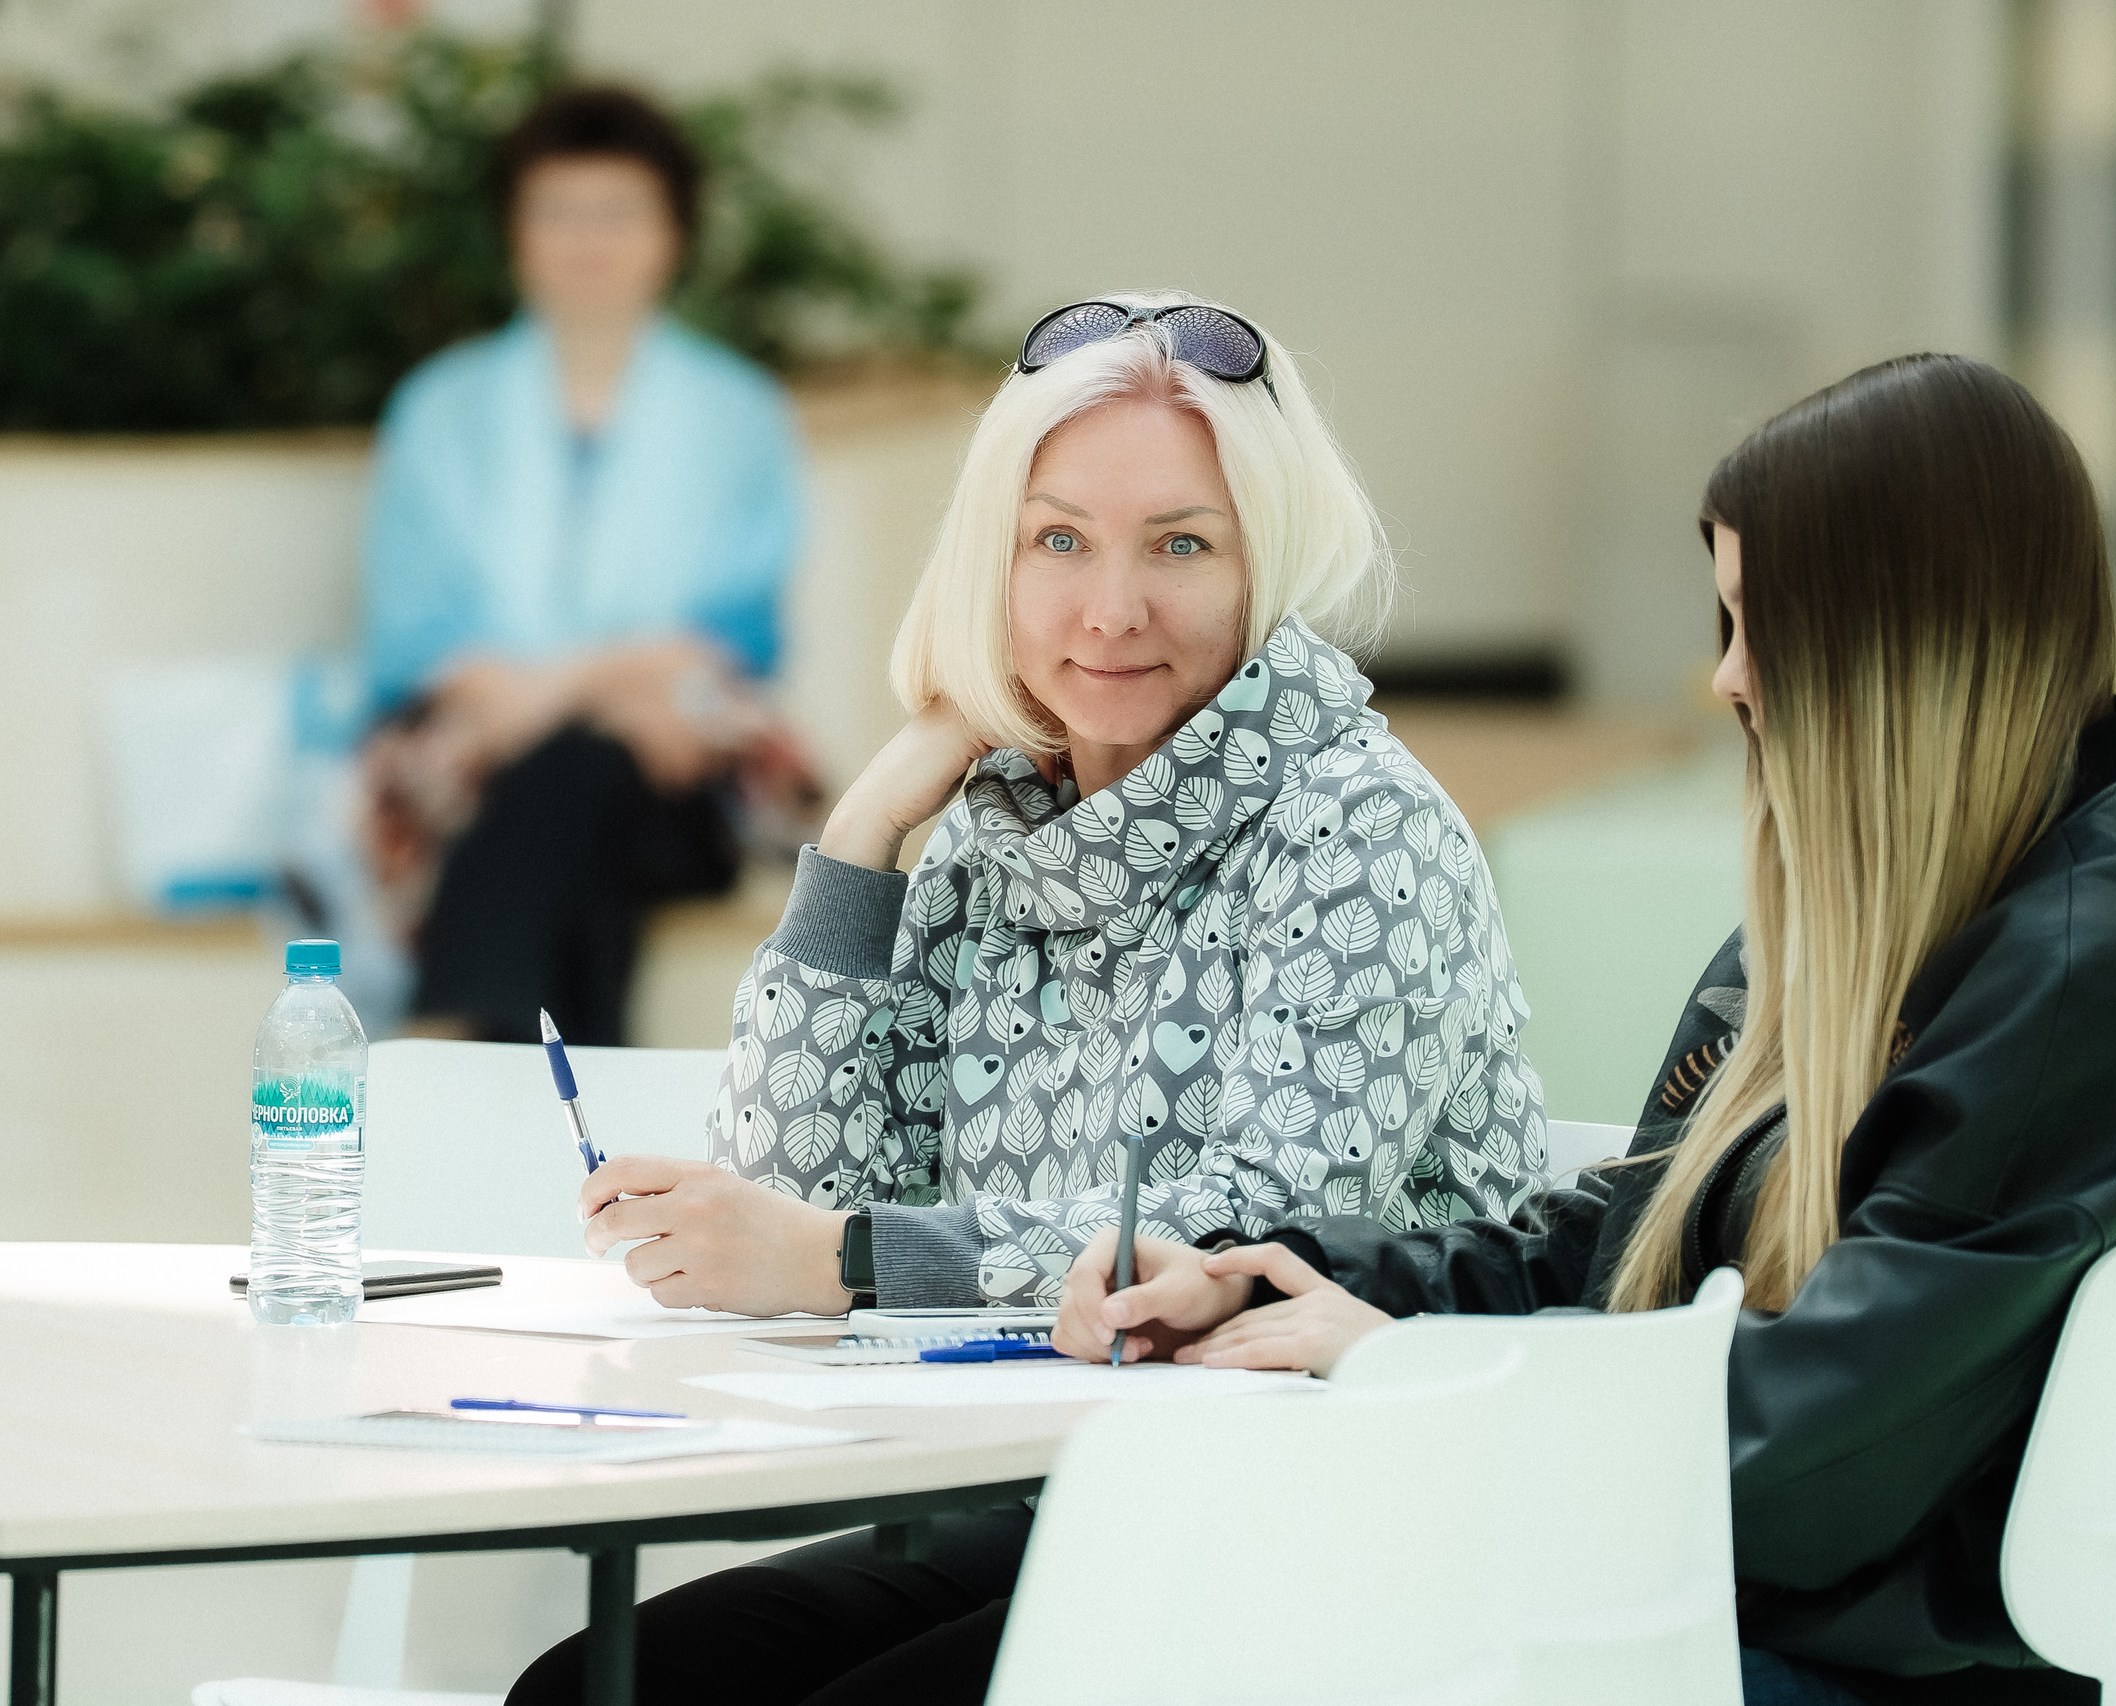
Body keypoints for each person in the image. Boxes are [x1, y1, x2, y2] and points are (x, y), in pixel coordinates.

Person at [1058, 354, 2116, 1706]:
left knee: (1115, 1633)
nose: (1725, 678)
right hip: (1682, 1609)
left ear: (1900, 640)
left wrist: (1400, 1366)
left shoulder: (2100, 981)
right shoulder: (1887, 921)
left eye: (1756, 623)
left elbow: (1799, 1465)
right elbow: (1613, 1253)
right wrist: (1270, 1272)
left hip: (1809, 1658)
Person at [507, 294, 1547, 1704]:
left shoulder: (1363, 826)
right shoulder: (989, 828)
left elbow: (1244, 1239)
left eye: (1181, 545)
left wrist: (834, 1252)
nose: (1110, 609)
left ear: (1268, 563)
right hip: (1047, 1490)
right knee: (606, 1686)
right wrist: (866, 829)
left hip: (1324, 1514)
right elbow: (800, 1196)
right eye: (1056, 541)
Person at [359, 84, 813, 1046]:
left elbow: (736, 631)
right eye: (559, 213)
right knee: (581, 808)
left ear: (673, 234)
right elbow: (412, 625)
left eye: (618, 214)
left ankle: (461, 1030)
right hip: (475, 758)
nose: (587, 242)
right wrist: (599, 688)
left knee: (584, 773)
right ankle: (589, 1153)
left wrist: (549, 694)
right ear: (515, 233)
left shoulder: (738, 413)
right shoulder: (440, 408)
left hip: (671, 760)